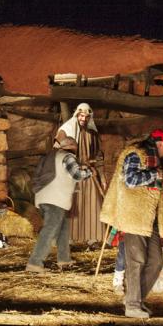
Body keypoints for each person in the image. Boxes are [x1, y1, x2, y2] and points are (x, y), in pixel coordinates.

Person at [99, 128, 163, 318]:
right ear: (160, 144)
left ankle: (134, 298)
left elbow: (159, 194)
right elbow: (130, 180)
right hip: (134, 216)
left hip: (151, 219)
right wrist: (154, 175)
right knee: (137, 260)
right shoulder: (136, 154)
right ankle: (132, 305)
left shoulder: (159, 164)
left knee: (155, 261)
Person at [25, 135, 92, 273]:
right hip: (55, 199)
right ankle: (34, 263)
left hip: (45, 198)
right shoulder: (67, 156)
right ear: (73, 147)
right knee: (49, 230)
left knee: (63, 229)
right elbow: (77, 175)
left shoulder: (51, 156)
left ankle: (64, 259)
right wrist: (90, 172)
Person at [55, 103, 105, 244]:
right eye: (81, 115)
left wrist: (100, 173)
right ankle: (69, 236)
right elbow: (57, 150)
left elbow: (99, 154)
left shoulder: (92, 133)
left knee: (92, 203)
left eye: (87, 116)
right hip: (71, 172)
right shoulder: (66, 130)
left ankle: (92, 236)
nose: (84, 118)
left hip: (89, 173)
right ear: (76, 114)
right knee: (72, 204)